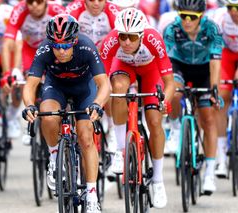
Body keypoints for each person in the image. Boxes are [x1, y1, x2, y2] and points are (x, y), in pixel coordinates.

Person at [23, 14, 110, 213]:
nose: (60, 51)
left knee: (85, 135)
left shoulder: (86, 47)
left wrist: (97, 104)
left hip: (84, 89)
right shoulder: (44, 49)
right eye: (56, 46)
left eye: (66, 46)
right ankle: (54, 159)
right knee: (48, 113)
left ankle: (92, 195)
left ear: (75, 41)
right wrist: (29, 106)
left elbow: (104, 84)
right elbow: (30, 86)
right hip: (56, 87)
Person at [99, 8, 175, 208]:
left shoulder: (153, 39)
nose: (125, 42)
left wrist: (163, 102)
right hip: (123, 67)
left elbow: (170, 83)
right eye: (122, 36)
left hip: (150, 72)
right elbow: (101, 81)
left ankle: (158, 180)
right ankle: (120, 150)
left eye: (131, 37)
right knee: (117, 88)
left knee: (154, 120)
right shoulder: (111, 41)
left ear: (141, 35)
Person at [163, 0, 223, 194]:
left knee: (208, 116)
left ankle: (210, 174)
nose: (187, 21)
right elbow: (167, 64)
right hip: (180, 66)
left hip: (204, 70)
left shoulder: (212, 29)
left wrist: (214, 89)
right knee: (175, 91)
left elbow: (215, 62)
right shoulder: (172, 29)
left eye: (192, 17)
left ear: (201, 16)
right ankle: (175, 127)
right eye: (183, 16)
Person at [2, 0, 65, 144]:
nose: (34, 5)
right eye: (30, 2)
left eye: (39, 1)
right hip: (30, 51)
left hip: (55, 50)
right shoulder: (19, 10)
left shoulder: (56, 9)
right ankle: (30, 121)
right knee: (29, 80)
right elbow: (8, 43)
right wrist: (7, 73)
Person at [66, 0, 119, 154]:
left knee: (109, 84)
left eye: (100, 0)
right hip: (81, 57)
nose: (96, 3)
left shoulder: (113, 12)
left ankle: (112, 128)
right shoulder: (73, 10)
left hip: (107, 56)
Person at [215, 0, 238, 177]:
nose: (233, 12)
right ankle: (221, 158)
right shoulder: (220, 18)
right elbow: (214, 48)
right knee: (222, 96)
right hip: (227, 55)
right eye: (230, 7)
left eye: (237, 8)